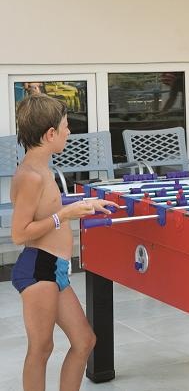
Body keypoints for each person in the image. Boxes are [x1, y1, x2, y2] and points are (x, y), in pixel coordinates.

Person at [10, 94, 114, 391]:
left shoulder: (42, 170)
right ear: (50, 134)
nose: (69, 132)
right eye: (66, 126)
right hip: (39, 268)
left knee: (84, 341)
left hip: (55, 268)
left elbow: (47, 208)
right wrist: (65, 215)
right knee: (41, 348)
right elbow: (19, 233)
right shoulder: (31, 176)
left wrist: (83, 204)